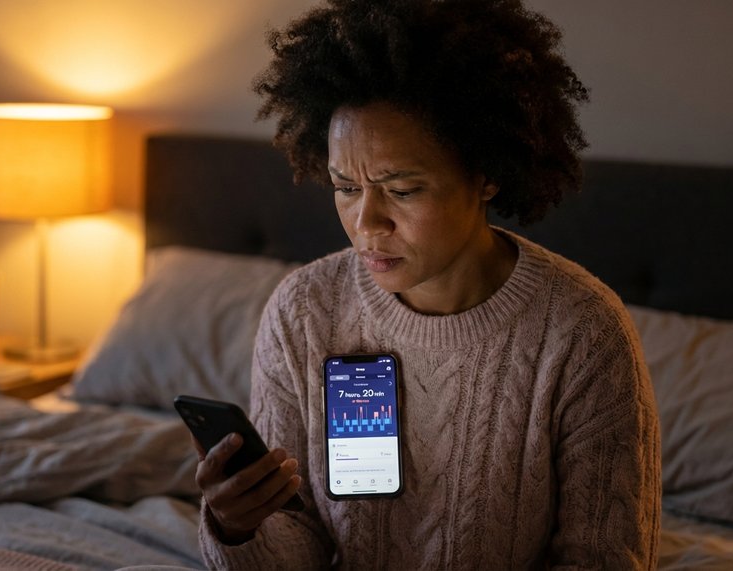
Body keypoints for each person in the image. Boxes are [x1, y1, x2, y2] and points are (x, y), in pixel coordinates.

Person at [192, 0, 661, 569]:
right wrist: (240, 530)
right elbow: (299, 535)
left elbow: (603, 558)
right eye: (345, 187)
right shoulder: (304, 311)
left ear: (485, 175)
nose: (366, 223)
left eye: (403, 189)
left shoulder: (582, 332)